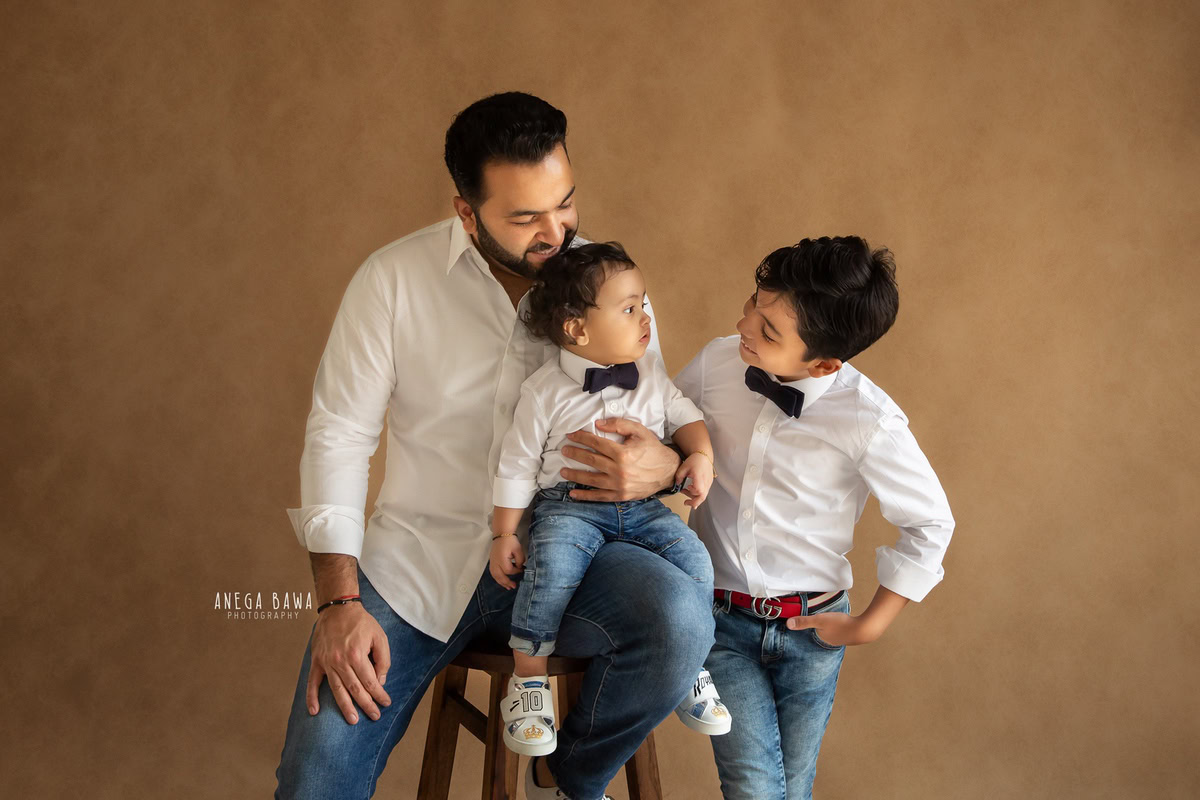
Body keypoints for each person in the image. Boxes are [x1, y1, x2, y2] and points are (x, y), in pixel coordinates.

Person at [275, 92, 714, 800]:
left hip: (577, 558)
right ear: (465, 212)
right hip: (418, 567)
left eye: (564, 203)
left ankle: (571, 771)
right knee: (313, 781)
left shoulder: (609, 285)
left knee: (680, 616)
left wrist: (664, 467)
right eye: (526, 217)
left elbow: (654, 410)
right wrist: (338, 604)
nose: (558, 231)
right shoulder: (390, 282)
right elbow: (338, 436)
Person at [674, 236, 955, 799]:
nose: (745, 322)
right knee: (755, 786)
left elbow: (930, 523)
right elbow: (667, 426)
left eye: (770, 330)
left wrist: (870, 624)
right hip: (722, 622)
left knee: (793, 788)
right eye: (755, 303)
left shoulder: (867, 418)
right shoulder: (716, 363)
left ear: (825, 362)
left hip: (813, 631)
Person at [488, 241, 732, 760]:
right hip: (569, 507)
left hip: (644, 510)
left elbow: (687, 419)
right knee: (550, 569)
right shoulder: (544, 390)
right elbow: (516, 465)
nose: (645, 317)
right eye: (629, 308)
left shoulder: (652, 379)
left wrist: (700, 458)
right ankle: (529, 683)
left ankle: (691, 664)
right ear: (577, 329)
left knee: (694, 559)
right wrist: (505, 532)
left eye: (643, 303)